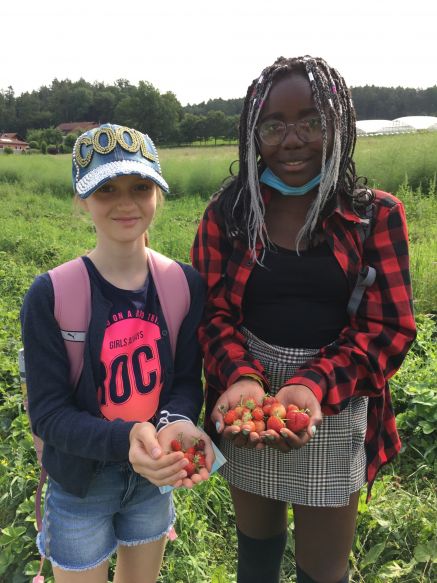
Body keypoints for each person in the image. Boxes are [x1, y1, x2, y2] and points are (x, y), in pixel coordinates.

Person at [191, 56, 416, 583]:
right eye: (273, 125)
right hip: (244, 399)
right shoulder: (229, 213)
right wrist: (242, 378)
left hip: (334, 405)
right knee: (256, 557)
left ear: (338, 125)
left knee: (323, 570)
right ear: (253, 133)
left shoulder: (374, 217)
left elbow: (388, 329)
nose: (292, 140)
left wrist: (313, 385)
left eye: (311, 122)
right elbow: (211, 313)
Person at [21, 123, 213, 583]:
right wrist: (125, 440)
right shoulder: (51, 294)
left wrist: (179, 422)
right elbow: (47, 414)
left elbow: (186, 380)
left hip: (152, 480)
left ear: (157, 195)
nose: (126, 202)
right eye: (106, 189)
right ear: (81, 199)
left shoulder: (183, 285)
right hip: (80, 485)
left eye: (140, 187)